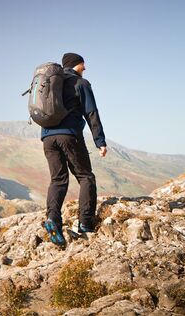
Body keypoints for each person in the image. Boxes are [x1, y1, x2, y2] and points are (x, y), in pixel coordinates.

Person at [42, 52, 107, 245]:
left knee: (58, 180)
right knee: (86, 176)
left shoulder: (53, 83)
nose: (85, 68)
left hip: (47, 137)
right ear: (75, 65)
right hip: (69, 135)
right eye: (82, 64)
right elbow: (91, 113)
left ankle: (53, 219)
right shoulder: (81, 84)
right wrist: (100, 141)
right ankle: (85, 223)